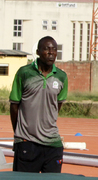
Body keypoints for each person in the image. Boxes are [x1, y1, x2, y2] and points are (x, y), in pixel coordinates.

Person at [9, 36, 68, 173]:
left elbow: (56, 106)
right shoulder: (24, 73)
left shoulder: (61, 76)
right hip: (27, 142)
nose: (51, 53)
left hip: (52, 144)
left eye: (54, 49)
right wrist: (19, 134)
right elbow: (14, 106)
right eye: (47, 49)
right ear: (38, 51)